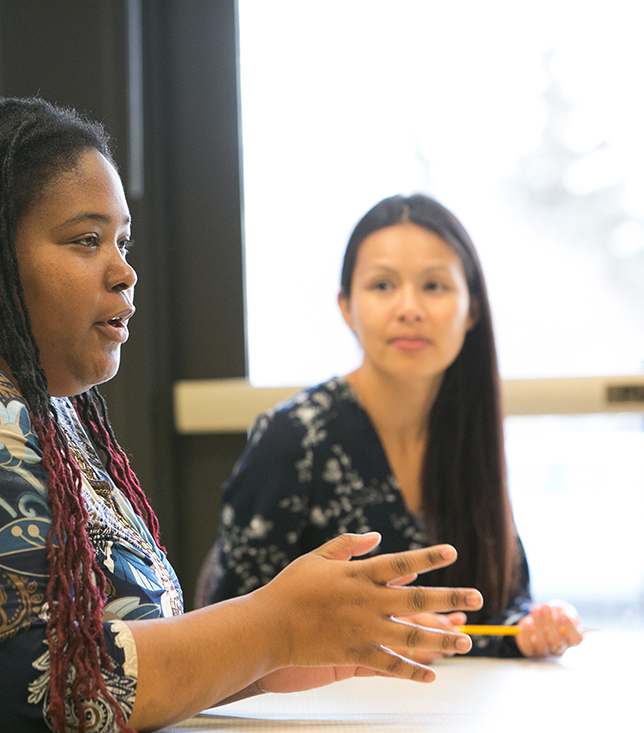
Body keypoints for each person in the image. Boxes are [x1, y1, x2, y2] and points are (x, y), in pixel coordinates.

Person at [0, 102, 484, 733]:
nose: (124, 270)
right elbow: (39, 695)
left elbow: (108, 649)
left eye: (122, 240)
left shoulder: (26, 398)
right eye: (85, 240)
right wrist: (271, 627)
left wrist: (290, 645)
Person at [201, 194, 584, 660]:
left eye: (434, 286)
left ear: (473, 311)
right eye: (383, 285)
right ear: (346, 307)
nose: (409, 308)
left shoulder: (468, 432)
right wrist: (369, 633)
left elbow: (494, 608)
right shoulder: (292, 438)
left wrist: (530, 628)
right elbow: (227, 627)